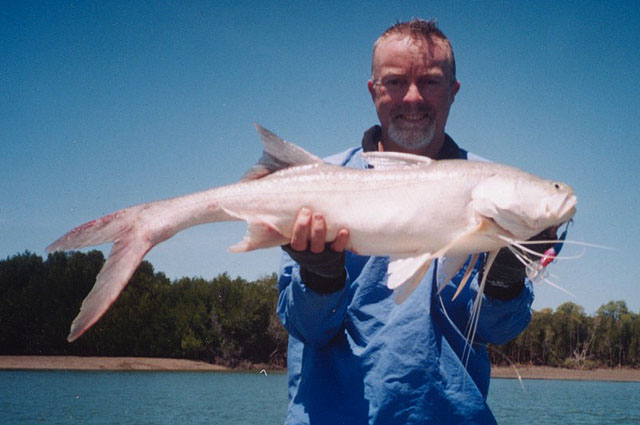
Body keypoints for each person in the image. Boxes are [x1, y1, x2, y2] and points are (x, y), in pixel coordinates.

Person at [277, 18, 555, 425]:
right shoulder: (318, 183)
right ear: (373, 91)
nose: (412, 98)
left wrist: (505, 283)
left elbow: (496, 332)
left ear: (454, 91)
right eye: (394, 81)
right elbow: (309, 330)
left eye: (430, 81)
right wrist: (320, 280)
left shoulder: (497, 191)